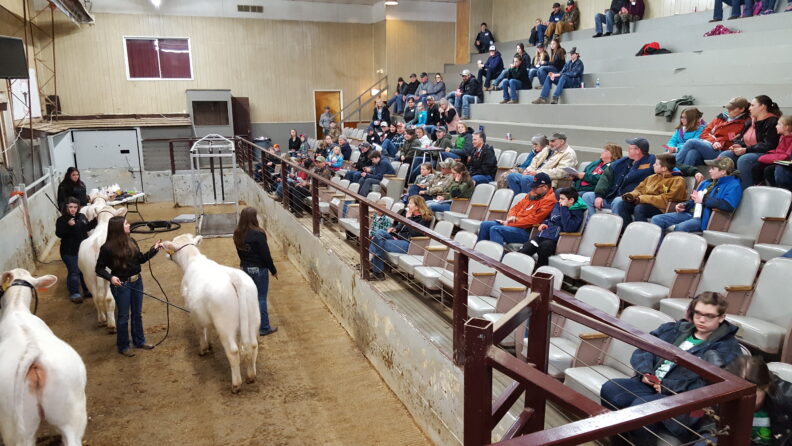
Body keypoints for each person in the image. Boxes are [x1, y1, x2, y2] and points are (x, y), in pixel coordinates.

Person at [600, 292, 742, 444]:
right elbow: (644, 348)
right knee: (611, 388)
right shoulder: (675, 329)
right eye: (698, 313)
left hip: (682, 401)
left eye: (709, 316)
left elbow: (706, 386)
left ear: (721, 318)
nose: (701, 319)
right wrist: (647, 372)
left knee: (641, 407)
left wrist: (664, 385)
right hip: (651, 385)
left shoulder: (727, 349)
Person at [95, 216, 163, 356]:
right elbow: (99, 269)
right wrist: (110, 277)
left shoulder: (131, 241)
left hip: (137, 281)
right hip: (122, 285)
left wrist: (154, 249)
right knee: (123, 316)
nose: (129, 225)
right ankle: (123, 345)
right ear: (119, 228)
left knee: (137, 313)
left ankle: (139, 341)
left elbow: (141, 259)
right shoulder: (107, 248)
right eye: (126, 223)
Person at [651, 158, 742, 234]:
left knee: (681, 228)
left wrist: (703, 200)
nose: (709, 171)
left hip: (704, 218)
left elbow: (728, 205)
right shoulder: (706, 182)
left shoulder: (733, 185)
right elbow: (693, 200)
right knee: (657, 219)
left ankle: (677, 253)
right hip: (689, 213)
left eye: (713, 168)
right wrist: (684, 205)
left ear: (722, 171)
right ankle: (658, 249)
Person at [718, 95, 782, 189]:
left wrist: (746, 149)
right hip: (748, 150)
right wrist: (738, 144)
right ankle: (723, 189)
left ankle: (747, 191)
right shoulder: (750, 121)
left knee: (744, 159)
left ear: (762, 107)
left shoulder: (772, 122)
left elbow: (769, 145)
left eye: (752, 105)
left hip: (765, 153)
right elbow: (740, 137)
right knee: (725, 156)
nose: (750, 108)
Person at [582, 137, 656, 218]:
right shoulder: (621, 163)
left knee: (618, 201)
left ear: (638, 150)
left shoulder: (651, 163)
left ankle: (616, 228)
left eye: (630, 148)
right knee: (587, 196)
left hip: (629, 199)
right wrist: (599, 196)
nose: (628, 150)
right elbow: (605, 178)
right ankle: (592, 223)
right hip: (611, 196)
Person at [234, 207, 278, 337]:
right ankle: (264, 327)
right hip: (258, 269)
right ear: (253, 218)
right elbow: (266, 254)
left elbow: (240, 253)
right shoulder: (258, 234)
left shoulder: (237, 233)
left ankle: (248, 326)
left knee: (247, 297)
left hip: (244, 268)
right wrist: (273, 270)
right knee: (261, 298)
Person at [478, 172, 557, 245]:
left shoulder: (550, 200)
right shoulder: (533, 194)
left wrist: (509, 223)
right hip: (515, 225)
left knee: (496, 229)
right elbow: (515, 208)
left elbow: (533, 220)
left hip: (527, 231)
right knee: (484, 225)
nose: (532, 189)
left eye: (535, 187)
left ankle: (493, 258)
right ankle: (479, 254)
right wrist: (511, 217)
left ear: (545, 187)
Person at [518, 187, 586, 268]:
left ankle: (540, 274)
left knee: (544, 248)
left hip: (557, 240)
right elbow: (551, 218)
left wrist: (564, 209)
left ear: (571, 200)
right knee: (527, 248)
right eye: (559, 198)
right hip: (545, 234)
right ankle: (516, 270)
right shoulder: (558, 204)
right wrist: (544, 223)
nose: (559, 201)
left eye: (562, 199)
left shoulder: (577, 212)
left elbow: (568, 228)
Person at [368, 195, 433, 280]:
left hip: (408, 244)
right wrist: (394, 229)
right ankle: (374, 267)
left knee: (379, 242)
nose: (408, 205)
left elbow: (415, 234)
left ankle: (376, 269)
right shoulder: (411, 215)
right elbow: (400, 226)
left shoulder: (425, 219)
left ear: (417, 206)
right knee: (379, 233)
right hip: (398, 239)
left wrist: (408, 219)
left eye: (410, 203)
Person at [674, 97, 750, 167]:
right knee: (692, 153)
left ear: (742, 109)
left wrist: (717, 141)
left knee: (691, 142)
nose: (729, 110)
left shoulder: (745, 123)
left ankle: (674, 168)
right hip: (710, 145)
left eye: (732, 109)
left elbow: (733, 141)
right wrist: (714, 141)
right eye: (728, 108)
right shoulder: (721, 117)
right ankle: (683, 177)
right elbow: (704, 133)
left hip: (722, 151)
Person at [618, 153, 687, 225]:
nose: (653, 165)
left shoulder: (678, 180)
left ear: (664, 168)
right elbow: (640, 190)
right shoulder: (651, 177)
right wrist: (631, 195)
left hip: (663, 208)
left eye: (656, 164)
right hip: (645, 202)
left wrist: (642, 198)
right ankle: (628, 229)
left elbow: (666, 199)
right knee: (622, 204)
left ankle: (643, 233)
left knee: (640, 208)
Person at [56, 197, 97, 303]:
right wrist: (68, 226)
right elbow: (59, 234)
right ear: (66, 207)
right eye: (70, 207)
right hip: (69, 252)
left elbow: (87, 227)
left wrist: (96, 220)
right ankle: (74, 293)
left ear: (78, 207)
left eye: (75, 207)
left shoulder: (82, 216)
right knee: (74, 272)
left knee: (84, 271)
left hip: (82, 250)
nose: (73, 209)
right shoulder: (62, 220)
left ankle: (86, 290)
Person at [506, 132, 577, 193]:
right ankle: (518, 200)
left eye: (553, 141)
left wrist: (537, 173)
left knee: (526, 179)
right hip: (534, 175)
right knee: (512, 176)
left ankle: (528, 203)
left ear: (562, 142)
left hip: (548, 181)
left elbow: (560, 172)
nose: (550, 143)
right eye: (549, 141)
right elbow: (535, 160)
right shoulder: (547, 149)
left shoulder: (568, 154)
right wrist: (529, 170)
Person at [752, 115, 792, 188]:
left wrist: (766, 158)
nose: (776, 126)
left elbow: (787, 156)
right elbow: (778, 151)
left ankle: (776, 190)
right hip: (779, 159)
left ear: (786, 127)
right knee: (757, 166)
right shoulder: (782, 137)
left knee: (769, 170)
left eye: (779, 124)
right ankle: (759, 185)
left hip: (785, 162)